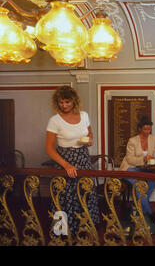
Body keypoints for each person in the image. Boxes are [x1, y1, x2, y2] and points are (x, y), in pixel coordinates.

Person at [45, 85, 100, 236]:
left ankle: (85, 229)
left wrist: (90, 140)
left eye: (67, 102)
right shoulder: (54, 120)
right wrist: (66, 165)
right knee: (65, 196)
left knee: (85, 193)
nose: (64, 105)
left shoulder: (84, 115)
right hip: (65, 160)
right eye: (61, 102)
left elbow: (90, 134)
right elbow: (49, 149)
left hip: (83, 158)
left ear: (74, 101)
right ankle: (63, 233)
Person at [120, 116, 155, 217]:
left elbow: (154, 155)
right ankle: (148, 214)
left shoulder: (154, 139)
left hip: (144, 169)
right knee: (140, 185)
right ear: (140, 129)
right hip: (130, 168)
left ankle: (137, 206)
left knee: (154, 179)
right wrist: (143, 159)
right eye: (145, 129)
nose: (147, 131)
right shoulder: (132, 141)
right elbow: (129, 159)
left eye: (149, 129)